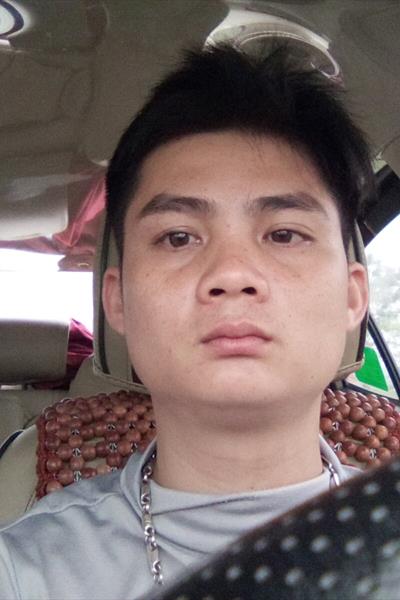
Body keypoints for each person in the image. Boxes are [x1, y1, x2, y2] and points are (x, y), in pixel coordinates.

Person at [0, 44, 372, 600]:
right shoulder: (22, 571)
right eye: (178, 237)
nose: (232, 274)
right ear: (117, 301)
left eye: (283, 234)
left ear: (353, 294)